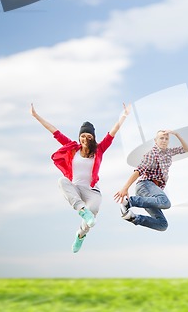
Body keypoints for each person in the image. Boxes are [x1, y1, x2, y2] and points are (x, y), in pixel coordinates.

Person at [30, 103, 130, 253]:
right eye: (82, 136)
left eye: (88, 136)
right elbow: (54, 131)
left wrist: (123, 116)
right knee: (62, 181)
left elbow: (113, 132)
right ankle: (81, 210)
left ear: (93, 138)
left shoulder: (100, 150)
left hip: (92, 191)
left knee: (92, 216)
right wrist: (36, 116)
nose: (85, 138)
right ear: (79, 137)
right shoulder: (72, 148)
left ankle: (80, 235)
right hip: (75, 189)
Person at [114, 130, 188, 231]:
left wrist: (177, 135)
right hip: (145, 185)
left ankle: (133, 218)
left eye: (166, 139)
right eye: (161, 138)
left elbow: (187, 149)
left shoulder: (168, 152)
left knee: (162, 225)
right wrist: (125, 188)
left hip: (151, 194)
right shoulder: (152, 154)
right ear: (155, 140)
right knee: (165, 202)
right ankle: (129, 202)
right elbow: (138, 171)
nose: (164, 140)